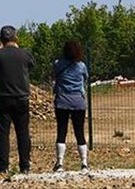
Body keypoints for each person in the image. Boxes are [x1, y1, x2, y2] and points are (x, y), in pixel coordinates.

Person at [0, 25, 35, 175]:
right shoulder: (25, 54)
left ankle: (2, 166)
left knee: (3, 134)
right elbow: (32, 64)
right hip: (22, 98)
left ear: (1, 39)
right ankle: (25, 166)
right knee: (23, 132)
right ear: (15, 38)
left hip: (2, 98)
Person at [52, 40, 90, 172]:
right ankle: (84, 163)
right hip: (78, 101)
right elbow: (85, 78)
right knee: (79, 132)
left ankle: (60, 163)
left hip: (62, 101)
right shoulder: (81, 66)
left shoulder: (58, 64)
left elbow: (55, 76)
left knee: (61, 131)